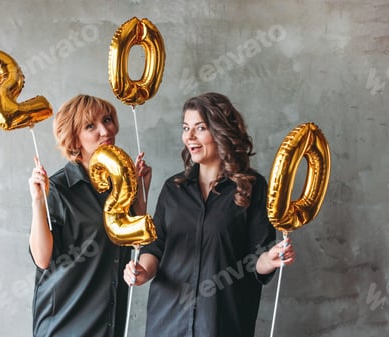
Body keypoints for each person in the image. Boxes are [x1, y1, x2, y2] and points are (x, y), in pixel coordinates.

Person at [123, 92, 295, 337]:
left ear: (220, 131)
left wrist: (273, 257)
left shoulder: (252, 187)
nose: (189, 136)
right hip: (168, 322)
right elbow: (155, 247)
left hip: (222, 322)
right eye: (186, 128)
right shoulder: (174, 189)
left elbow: (257, 257)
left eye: (200, 128)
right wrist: (141, 272)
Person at [29, 94, 151, 337]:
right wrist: (38, 202)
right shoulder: (58, 189)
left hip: (109, 324)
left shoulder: (120, 185)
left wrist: (140, 190)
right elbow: (42, 259)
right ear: (75, 139)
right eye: (90, 126)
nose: (105, 131)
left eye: (107, 120)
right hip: (65, 325)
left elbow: (134, 239)